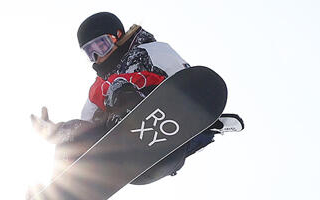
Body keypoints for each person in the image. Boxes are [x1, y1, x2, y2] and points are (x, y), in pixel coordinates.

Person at [31, 12, 243, 185]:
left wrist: (206, 119)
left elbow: (185, 81)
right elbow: (85, 128)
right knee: (71, 136)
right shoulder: (97, 89)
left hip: (164, 147)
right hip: (126, 160)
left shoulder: (151, 51)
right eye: (90, 53)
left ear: (118, 35)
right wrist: (58, 131)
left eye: (101, 46)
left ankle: (133, 116)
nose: (98, 57)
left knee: (120, 89)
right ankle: (55, 196)